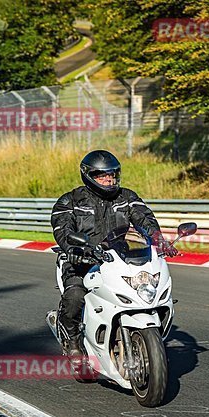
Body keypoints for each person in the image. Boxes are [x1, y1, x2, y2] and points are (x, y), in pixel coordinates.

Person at [50, 149, 178, 360]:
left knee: (149, 290)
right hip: (81, 259)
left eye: (112, 174)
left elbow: (144, 218)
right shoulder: (70, 201)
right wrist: (72, 249)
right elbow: (62, 228)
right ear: (89, 176)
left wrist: (159, 239)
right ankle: (72, 341)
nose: (109, 179)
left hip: (118, 259)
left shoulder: (127, 197)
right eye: (103, 175)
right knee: (75, 296)